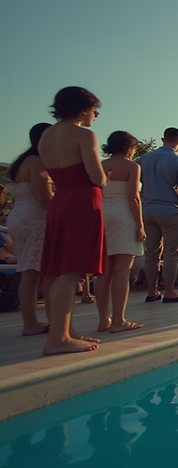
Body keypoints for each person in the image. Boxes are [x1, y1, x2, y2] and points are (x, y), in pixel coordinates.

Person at [37, 86, 106, 354]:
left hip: (61, 201)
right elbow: (97, 177)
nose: (95, 116)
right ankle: (57, 339)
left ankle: (63, 330)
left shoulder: (46, 135)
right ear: (82, 109)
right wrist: (105, 178)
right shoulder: (83, 135)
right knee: (71, 271)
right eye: (94, 110)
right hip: (81, 201)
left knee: (56, 271)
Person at [95, 131, 145, 332]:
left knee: (104, 271)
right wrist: (140, 225)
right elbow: (133, 197)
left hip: (102, 213)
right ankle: (119, 320)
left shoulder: (100, 165)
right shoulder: (132, 166)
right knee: (122, 269)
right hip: (123, 213)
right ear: (128, 148)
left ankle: (103, 320)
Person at [7, 122, 54, 336]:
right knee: (43, 272)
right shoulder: (37, 162)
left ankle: (31, 322)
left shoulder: (22, 162)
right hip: (35, 217)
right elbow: (44, 197)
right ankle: (46, 323)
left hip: (19, 214)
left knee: (29, 271)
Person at [140, 127, 178, 303]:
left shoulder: (144, 159)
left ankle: (152, 291)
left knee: (151, 253)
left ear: (162, 139)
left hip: (148, 210)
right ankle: (170, 292)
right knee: (171, 253)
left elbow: (140, 181)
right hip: (170, 210)